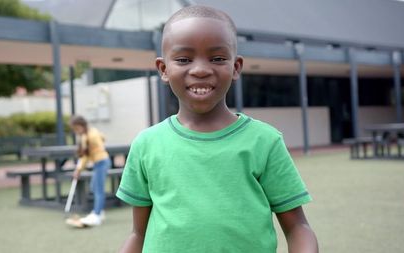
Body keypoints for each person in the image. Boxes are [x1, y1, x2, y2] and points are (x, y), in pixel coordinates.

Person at [116, 5, 318, 253]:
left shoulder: (264, 141)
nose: (200, 69)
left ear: (236, 67)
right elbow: (138, 233)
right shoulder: (146, 144)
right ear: (163, 69)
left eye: (218, 58)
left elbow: (298, 227)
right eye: (183, 59)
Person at [69, 115, 111, 226]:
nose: (76, 131)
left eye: (77, 129)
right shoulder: (85, 136)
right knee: (94, 187)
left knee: (98, 190)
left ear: (82, 126)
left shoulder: (91, 135)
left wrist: (79, 168)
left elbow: (99, 143)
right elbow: (85, 155)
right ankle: (99, 211)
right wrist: (79, 169)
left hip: (102, 162)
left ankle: (97, 215)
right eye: (74, 130)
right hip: (98, 163)